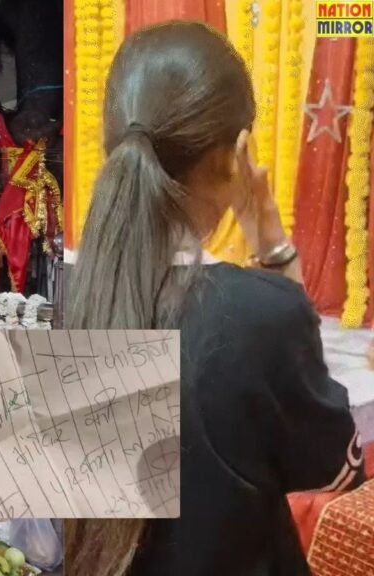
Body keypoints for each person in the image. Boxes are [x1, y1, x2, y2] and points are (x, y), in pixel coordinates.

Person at [67, 21, 363, 576]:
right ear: (235, 157)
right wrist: (274, 250)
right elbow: (338, 472)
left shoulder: (66, 304)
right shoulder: (262, 312)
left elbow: (32, 524)